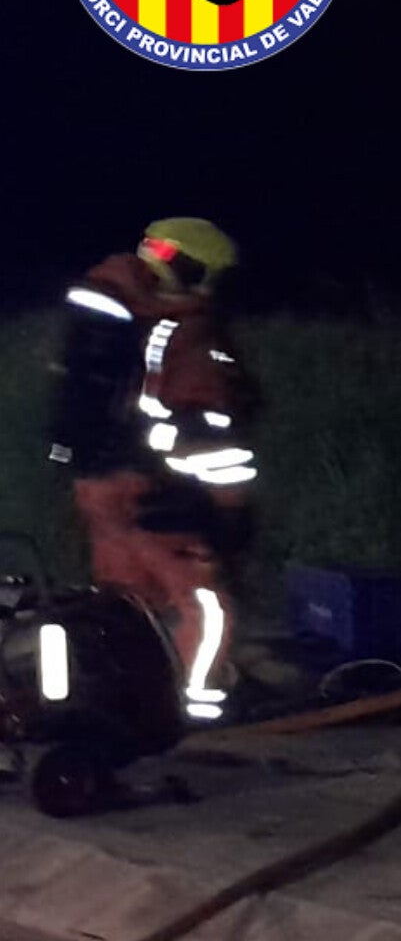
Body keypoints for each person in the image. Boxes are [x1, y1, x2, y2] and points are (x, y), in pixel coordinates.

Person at [52, 217, 258, 725]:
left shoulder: (108, 309)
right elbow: (200, 427)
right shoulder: (181, 329)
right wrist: (227, 507)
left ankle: (120, 703)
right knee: (203, 607)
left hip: (97, 484)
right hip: (154, 489)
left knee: (124, 605)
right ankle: (196, 705)